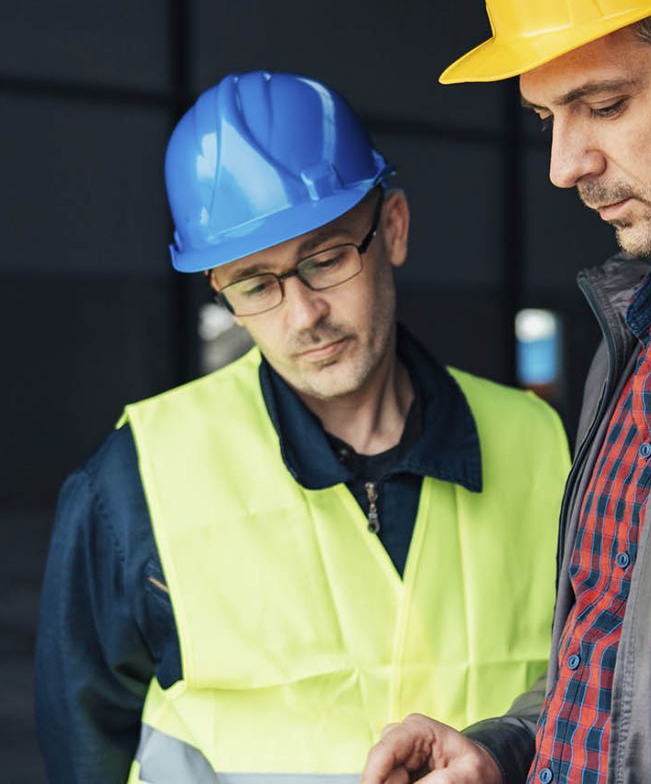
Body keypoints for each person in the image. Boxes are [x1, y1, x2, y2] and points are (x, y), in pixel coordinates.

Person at [34, 71, 571, 782]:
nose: (302, 316)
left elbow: (601, 689)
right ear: (220, 290)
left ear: (396, 229)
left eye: (326, 260)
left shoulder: (542, 446)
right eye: (256, 284)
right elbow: (83, 749)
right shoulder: (135, 479)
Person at [362, 0, 651, 782]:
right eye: (547, 116)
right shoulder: (640, 335)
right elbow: (620, 661)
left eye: (607, 105)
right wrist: (511, 749)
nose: (562, 164)